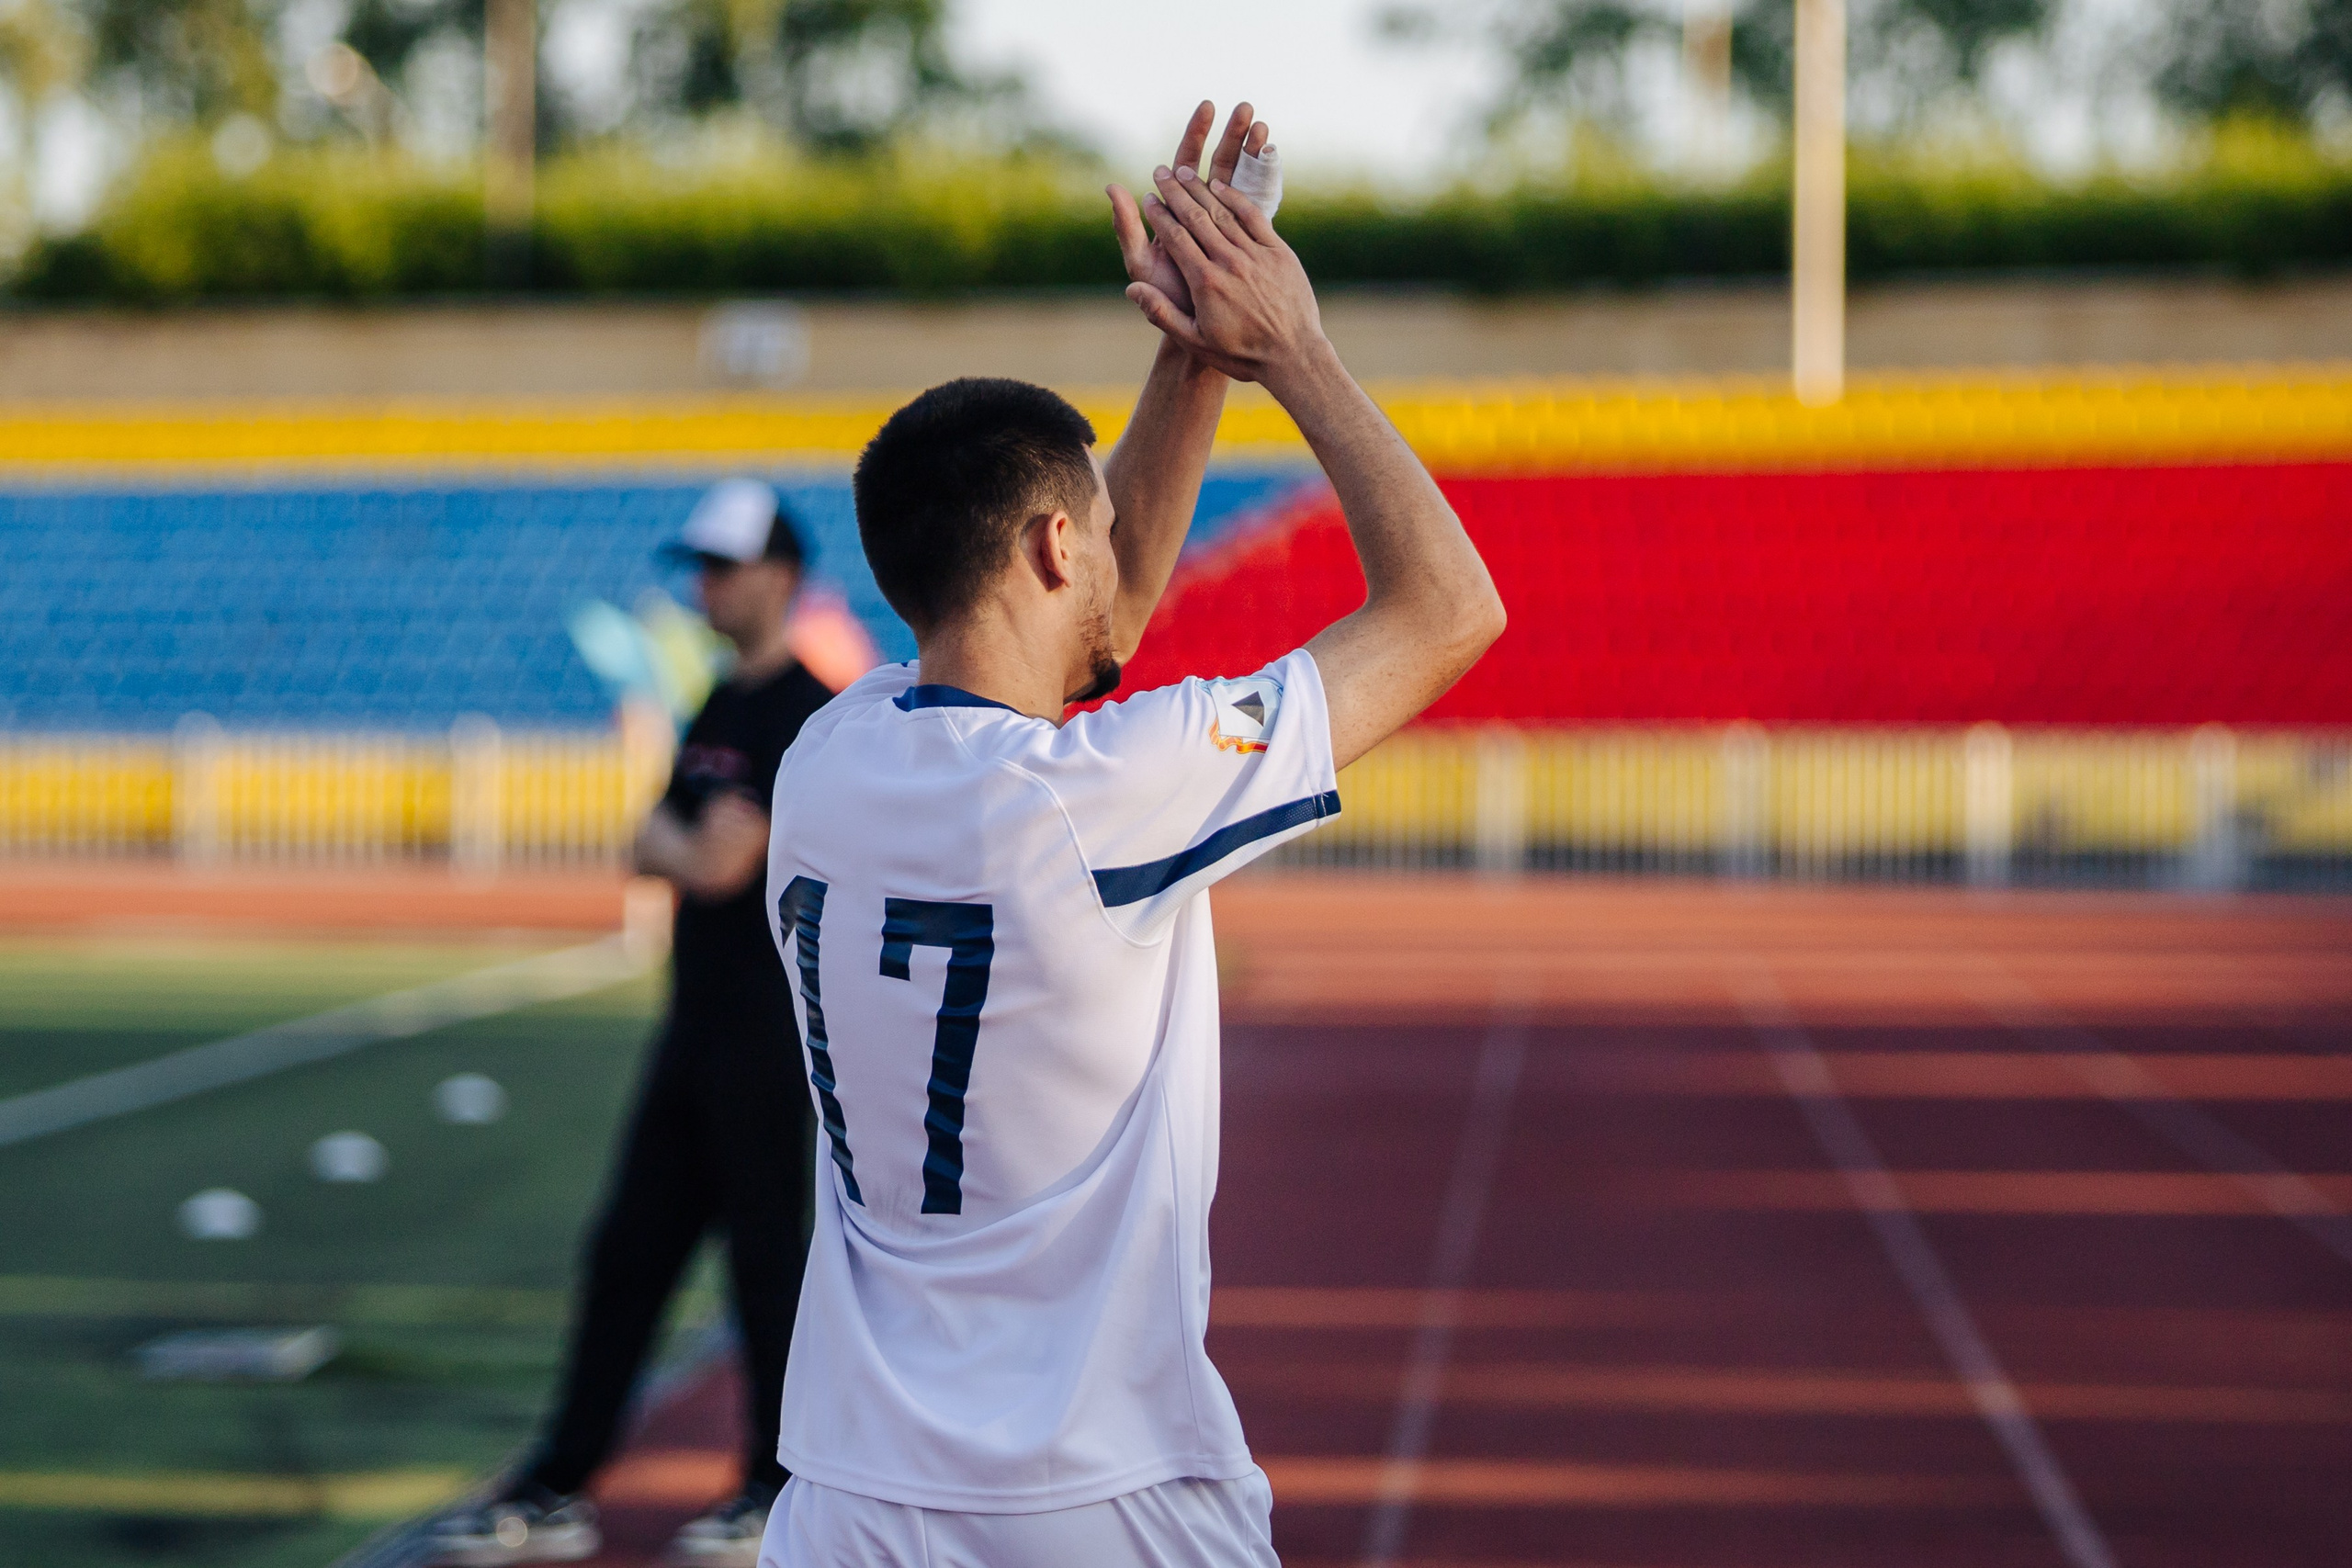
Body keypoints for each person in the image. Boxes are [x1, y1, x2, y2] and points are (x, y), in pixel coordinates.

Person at [754, 100, 1506, 1566]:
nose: (1118, 547)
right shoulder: (1092, 800)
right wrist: (1291, 348)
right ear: (1048, 547)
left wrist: (1189, 356)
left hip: (851, 1495)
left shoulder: (826, 758)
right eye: (1090, 523)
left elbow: (1099, 627)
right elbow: (1451, 609)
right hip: (1098, 1486)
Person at [431, 479, 831, 1568]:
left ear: (781, 577)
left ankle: (775, 1485)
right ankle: (560, 1482)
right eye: (698, 566)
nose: (703, 585)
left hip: (766, 1041)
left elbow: (708, 861)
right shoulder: (714, 706)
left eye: (723, 566)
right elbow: (658, 842)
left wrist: (677, 844)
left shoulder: (804, 714)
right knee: (626, 1259)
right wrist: (676, 844)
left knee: (767, 1270)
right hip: (690, 1034)